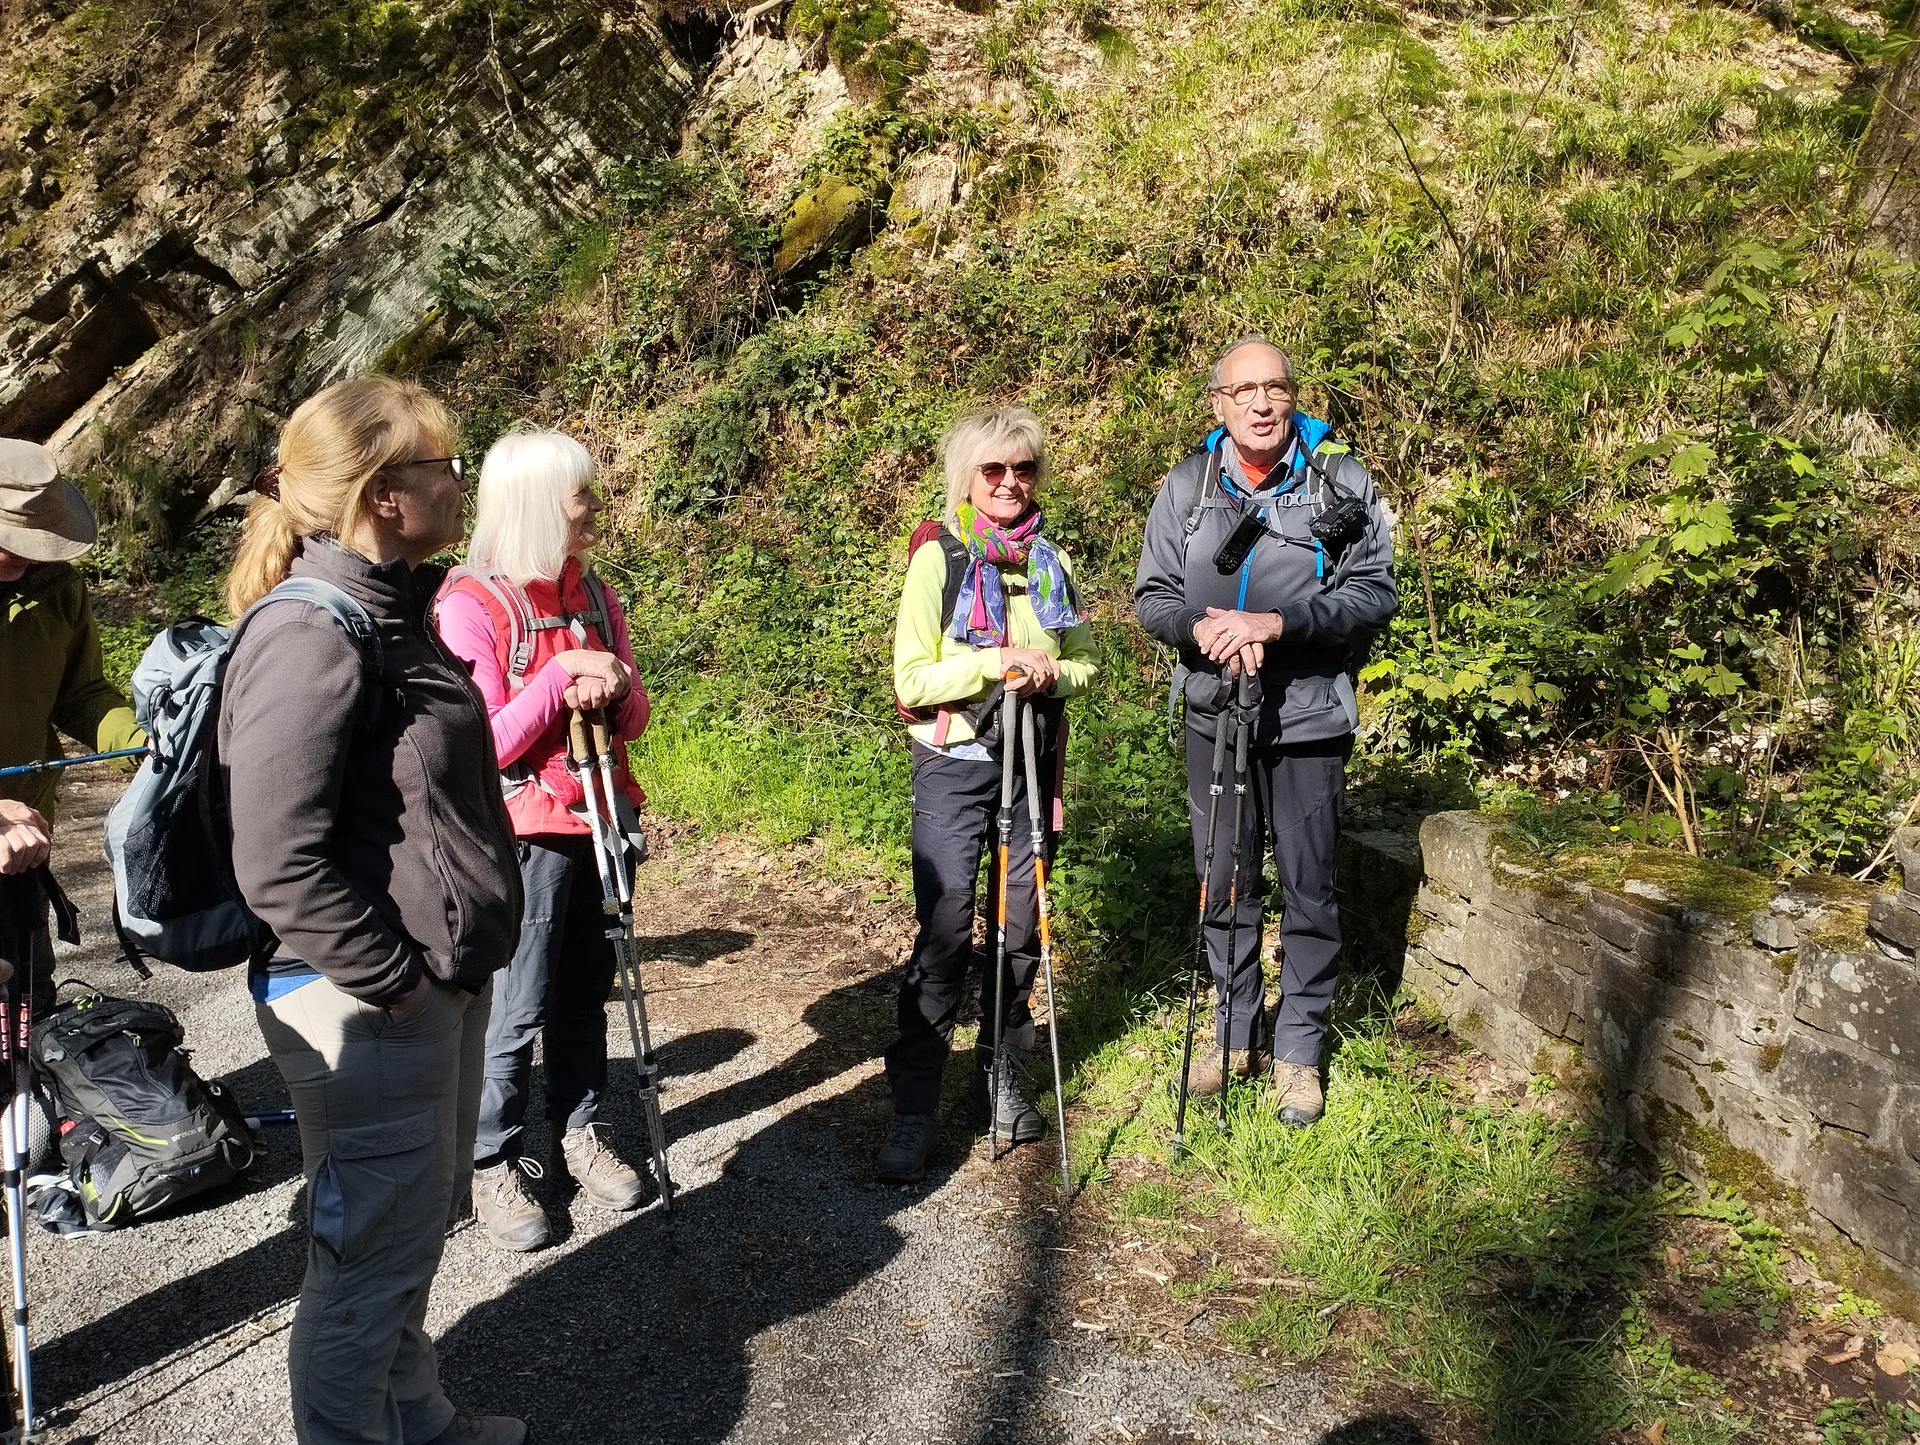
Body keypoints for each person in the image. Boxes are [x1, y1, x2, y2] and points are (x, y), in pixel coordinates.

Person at [218, 377, 526, 1445]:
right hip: (363, 1001)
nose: (460, 479)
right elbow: (276, 859)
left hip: (426, 982)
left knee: (406, 1230)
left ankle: (419, 1417)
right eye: (444, 463)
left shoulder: (399, 607)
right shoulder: (310, 634)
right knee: (367, 1257)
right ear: (385, 494)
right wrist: (397, 981)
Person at [1133, 336, 1396, 1128]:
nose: (1261, 402)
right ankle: (1234, 1032)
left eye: (1275, 386)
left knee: (1309, 889)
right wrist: (1204, 628)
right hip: (1216, 710)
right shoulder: (1189, 486)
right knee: (1224, 879)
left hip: (1308, 713)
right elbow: (1152, 596)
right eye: (1243, 389)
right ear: (1218, 404)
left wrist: (1277, 623)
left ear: (1293, 396)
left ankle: (1299, 1054)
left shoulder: (1339, 482)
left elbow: (1373, 593)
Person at [434, 427, 652, 1252]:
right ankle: (492, 1161)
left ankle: (578, 1131)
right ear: (534, 503)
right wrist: (562, 677)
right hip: (525, 835)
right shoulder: (470, 607)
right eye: (581, 493)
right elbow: (482, 745)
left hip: (603, 819)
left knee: (584, 993)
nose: (595, 506)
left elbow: (633, 718)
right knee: (514, 1008)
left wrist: (616, 682)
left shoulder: (593, 595)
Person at [880, 406, 1100, 1184]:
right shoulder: (938, 559)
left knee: (1017, 929)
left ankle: (999, 1071)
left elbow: (1084, 664)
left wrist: (1046, 671)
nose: (1011, 484)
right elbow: (912, 681)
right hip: (955, 762)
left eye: (1025, 469)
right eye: (994, 470)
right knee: (943, 934)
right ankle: (914, 1102)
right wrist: (994, 662)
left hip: (1033, 764)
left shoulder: (1051, 560)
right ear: (966, 479)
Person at [0, 437, 144, 1015]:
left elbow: (80, 694)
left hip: (23, 845)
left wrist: (149, 744)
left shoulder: (57, 587)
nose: (24, 557)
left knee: (27, 1016)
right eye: (11, 542)